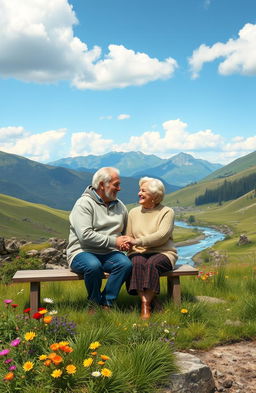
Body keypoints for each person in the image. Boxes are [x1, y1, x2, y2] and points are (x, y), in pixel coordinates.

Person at [66, 167, 132, 310]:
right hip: (82, 252)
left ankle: (107, 302)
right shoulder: (84, 204)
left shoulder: (121, 206)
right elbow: (85, 236)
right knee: (93, 266)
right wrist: (115, 242)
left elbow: (125, 233)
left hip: (109, 253)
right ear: (102, 185)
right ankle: (94, 303)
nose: (119, 189)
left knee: (125, 264)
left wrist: (126, 243)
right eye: (116, 184)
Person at [122, 177, 178, 319]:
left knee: (152, 264)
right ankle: (148, 301)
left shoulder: (167, 212)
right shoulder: (133, 212)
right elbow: (129, 235)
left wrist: (137, 241)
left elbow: (162, 235)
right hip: (137, 252)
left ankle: (145, 305)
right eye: (139, 190)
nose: (139, 193)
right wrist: (126, 243)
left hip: (164, 252)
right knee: (136, 263)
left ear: (154, 195)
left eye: (143, 191)